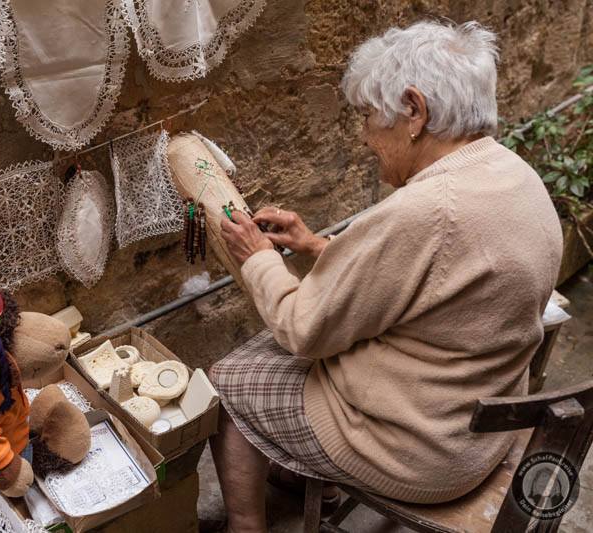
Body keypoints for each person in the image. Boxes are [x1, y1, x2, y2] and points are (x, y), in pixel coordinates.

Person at [210, 20, 563, 532]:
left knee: (231, 377)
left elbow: (303, 330)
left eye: (371, 116)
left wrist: (256, 257)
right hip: (477, 429)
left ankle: (247, 526)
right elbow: (426, 279)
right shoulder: (514, 175)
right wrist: (313, 246)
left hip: (420, 453)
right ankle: (315, 481)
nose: (365, 135)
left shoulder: (424, 211)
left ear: (414, 111)